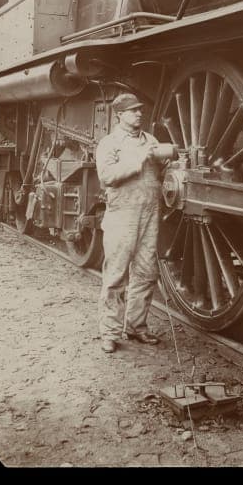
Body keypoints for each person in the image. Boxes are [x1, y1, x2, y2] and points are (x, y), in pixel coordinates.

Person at [95, 93, 165, 354]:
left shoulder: (151, 140)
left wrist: (169, 161)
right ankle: (110, 333)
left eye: (140, 109)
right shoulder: (110, 143)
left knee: (146, 272)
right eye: (133, 111)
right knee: (116, 275)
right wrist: (139, 160)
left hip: (150, 212)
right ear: (119, 115)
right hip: (122, 214)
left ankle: (137, 327)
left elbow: (161, 171)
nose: (139, 114)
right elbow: (107, 176)